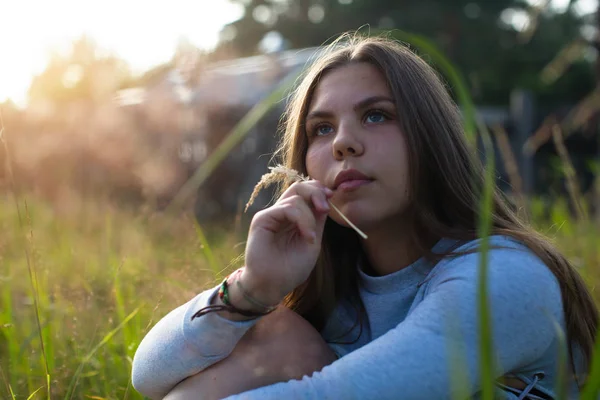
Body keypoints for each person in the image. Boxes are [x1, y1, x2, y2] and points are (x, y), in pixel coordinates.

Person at [131, 33, 598, 399]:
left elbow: (331, 396)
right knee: (277, 336)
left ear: (430, 139)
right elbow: (148, 374)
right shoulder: (331, 293)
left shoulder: (503, 275)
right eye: (322, 128)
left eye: (376, 116)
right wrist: (252, 290)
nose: (343, 143)